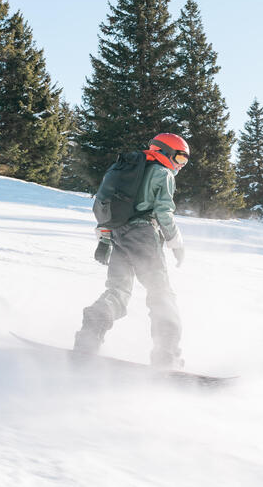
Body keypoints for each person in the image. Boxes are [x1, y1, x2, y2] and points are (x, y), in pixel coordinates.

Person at [74, 133, 190, 369]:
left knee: (118, 290)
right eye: (179, 158)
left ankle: (89, 336)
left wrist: (105, 240)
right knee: (161, 292)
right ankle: (166, 356)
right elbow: (164, 212)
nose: (180, 165)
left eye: (184, 161)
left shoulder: (128, 170)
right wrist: (175, 242)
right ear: (166, 152)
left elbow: (111, 207)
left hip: (118, 234)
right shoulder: (163, 173)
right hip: (143, 236)